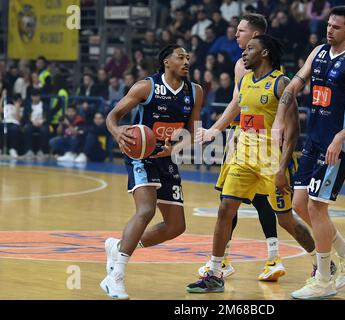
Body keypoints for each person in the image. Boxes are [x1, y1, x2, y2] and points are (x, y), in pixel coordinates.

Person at [187, 34, 328, 293]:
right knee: (225, 210)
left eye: (251, 48)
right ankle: (216, 272)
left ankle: (321, 264)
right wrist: (215, 131)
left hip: (271, 161)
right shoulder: (244, 81)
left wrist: (282, 168)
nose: (244, 52)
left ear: (264, 53)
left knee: (285, 219)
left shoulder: (281, 83)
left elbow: (294, 130)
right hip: (244, 157)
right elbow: (237, 111)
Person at [276, 6, 345, 299]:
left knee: (317, 207)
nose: (329, 30)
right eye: (328, 25)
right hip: (315, 140)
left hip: (336, 146)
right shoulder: (318, 52)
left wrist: (341, 137)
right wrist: (280, 115)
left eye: (336, 27)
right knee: (300, 204)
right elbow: (296, 82)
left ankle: (324, 278)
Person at [100, 44, 203, 299]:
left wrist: (174, 149)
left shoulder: (195, 91)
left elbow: (193, 131)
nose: (186, 61)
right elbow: (112, 116)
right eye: (180, 57)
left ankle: (119, 247)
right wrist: (117, 132)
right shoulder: (146, 87)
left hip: (166, 158)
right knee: (145, 210)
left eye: (188, 57)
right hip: (141, 156)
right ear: (166, 62)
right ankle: (116, 277)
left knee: (176, 226)